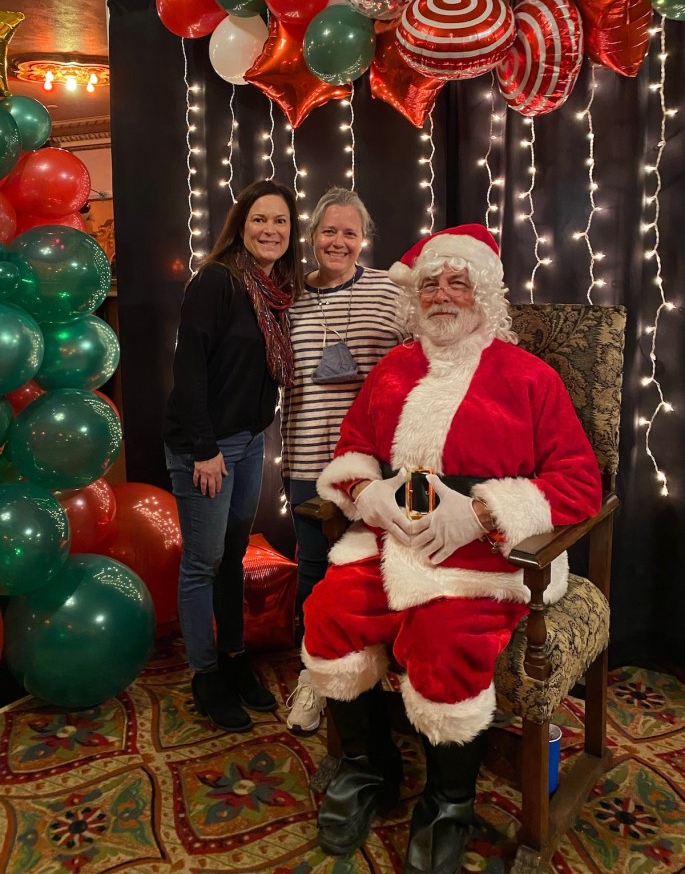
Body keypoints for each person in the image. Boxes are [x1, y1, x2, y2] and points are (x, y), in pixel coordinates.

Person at [300, 224, 602, 873]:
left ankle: (448, 801)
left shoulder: (530, 378)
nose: (441, 294)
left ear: (483, 293)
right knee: (329, 610)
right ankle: (369, 768)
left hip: (486, 559)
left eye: (457, 282)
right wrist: (365, 491)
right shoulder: (392, 369)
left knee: (444, 640)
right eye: (430, 284)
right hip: (392, 541)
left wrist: (485, 512)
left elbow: (580, 482)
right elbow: (352, 447)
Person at [163, 179, 304, 733]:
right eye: (259, 219)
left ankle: (234, 657)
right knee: (203, 563)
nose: (270, 230)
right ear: (241, 226)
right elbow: (189, 368)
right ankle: (206, 675)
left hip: (247, 442)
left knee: (232, 554)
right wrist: (204, 449)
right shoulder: (217, 281)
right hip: (205, 447)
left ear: (291, 232)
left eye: (280, 221)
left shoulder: (276, 291)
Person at [281, 187, 405, 734]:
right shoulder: (286, 297)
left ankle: (381, 675)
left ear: (364, 239)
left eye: (349, 233)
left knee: (382, 569)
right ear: (312, 237)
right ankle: (313, 677)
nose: (338, 241)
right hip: (308, 456)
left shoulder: (389, 292)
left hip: (379, 464)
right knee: (313, 566)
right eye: (328, 231)